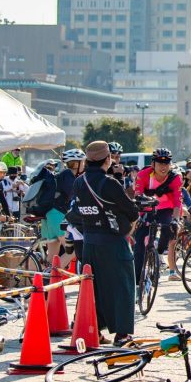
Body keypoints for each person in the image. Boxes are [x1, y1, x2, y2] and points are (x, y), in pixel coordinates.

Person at [74, 140, 139, 346]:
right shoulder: (109, 183)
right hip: (112, 241)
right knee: (123, 286)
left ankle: (94, 330)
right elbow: (132, 211)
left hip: (89, 242)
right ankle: (122, 333)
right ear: (108, 159)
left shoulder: (79, 182)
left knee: (94, 288)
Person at [132, 148, 184, 282]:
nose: (163, 166)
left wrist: (176, 219)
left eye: (166, 163)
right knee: (139, 242)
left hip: (166, 209)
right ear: (153, 164)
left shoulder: (176, 177)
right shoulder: (143, 175)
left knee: (168, 226)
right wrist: (139, 215)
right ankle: (137, 277)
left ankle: (159, 253)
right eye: (160, 163)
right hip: (147, 208)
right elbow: (137, 196)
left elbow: (177, 202)